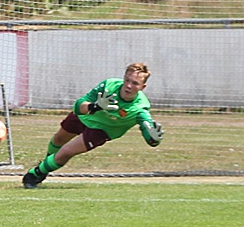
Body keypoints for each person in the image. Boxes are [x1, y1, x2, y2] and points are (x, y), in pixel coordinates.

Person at [22, 62, 163, 188]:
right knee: (58, 139)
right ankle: (46, 165)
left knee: (66, 152)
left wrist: (153, 140)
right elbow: (78, 106)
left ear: (143, 87)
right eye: (127, 80)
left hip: (101, 130)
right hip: (86, 116)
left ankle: (35, 174)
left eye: (135, 83)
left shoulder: (141, 107)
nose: (128, 86)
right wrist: (95, 106)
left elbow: (148, 132)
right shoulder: (109, 85)